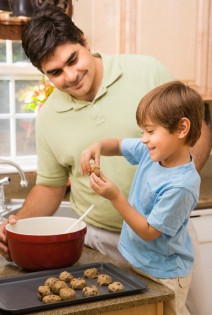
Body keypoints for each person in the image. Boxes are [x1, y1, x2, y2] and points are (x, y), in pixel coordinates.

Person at [0, 5, 211, 314]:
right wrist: (16, 229)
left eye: (73, 60)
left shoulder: (146, 70)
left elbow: (199, 128)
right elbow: (49, 187)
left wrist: (177, 190)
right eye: (55, 72)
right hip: (103, 243)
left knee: (191, 309)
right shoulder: (48, 118)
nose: (70, 76)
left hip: (169, 239)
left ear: (85, 41)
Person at [80, 80, 203, 315]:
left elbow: (149, 231)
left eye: (150, 131)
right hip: (139, 263)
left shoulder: (181, 185)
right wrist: (97, 146)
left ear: (181, 129)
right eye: (142, 132)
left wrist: (115, 196)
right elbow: (116, 145)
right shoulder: (153, 154)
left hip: (166, 275)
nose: (144, 139)